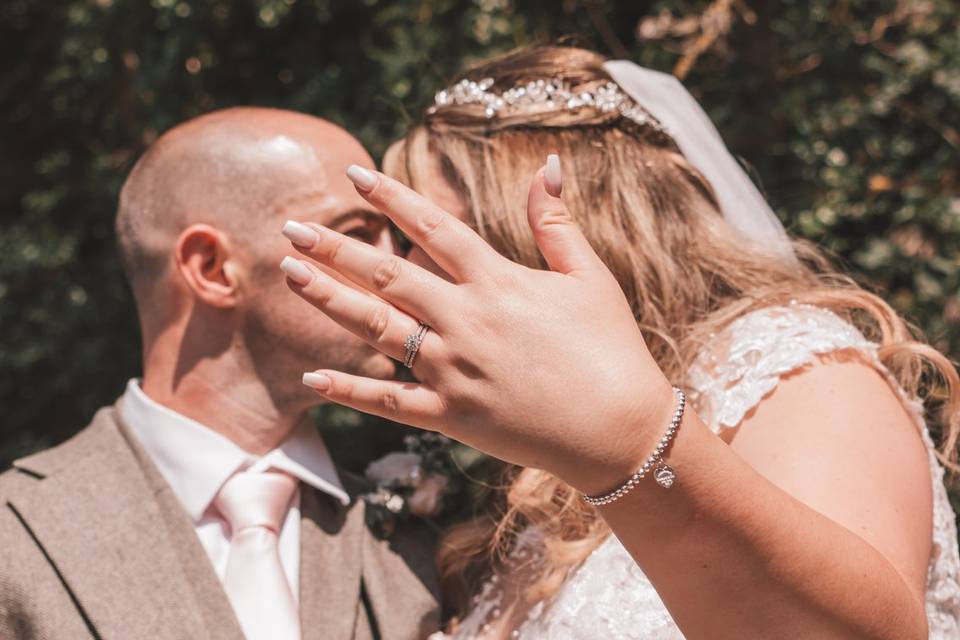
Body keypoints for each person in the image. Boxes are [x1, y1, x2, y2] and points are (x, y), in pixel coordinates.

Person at [282, 46, 960, 638]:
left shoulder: (796, 368)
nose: (403, 271)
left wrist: (634, 449)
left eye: (422, 234)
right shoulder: (527, 495)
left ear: (541, 217)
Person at [0, 107, 440, 640]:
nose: (400, 269)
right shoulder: (17, 533)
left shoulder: (427, 535)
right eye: (356, 234)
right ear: (211, 269)